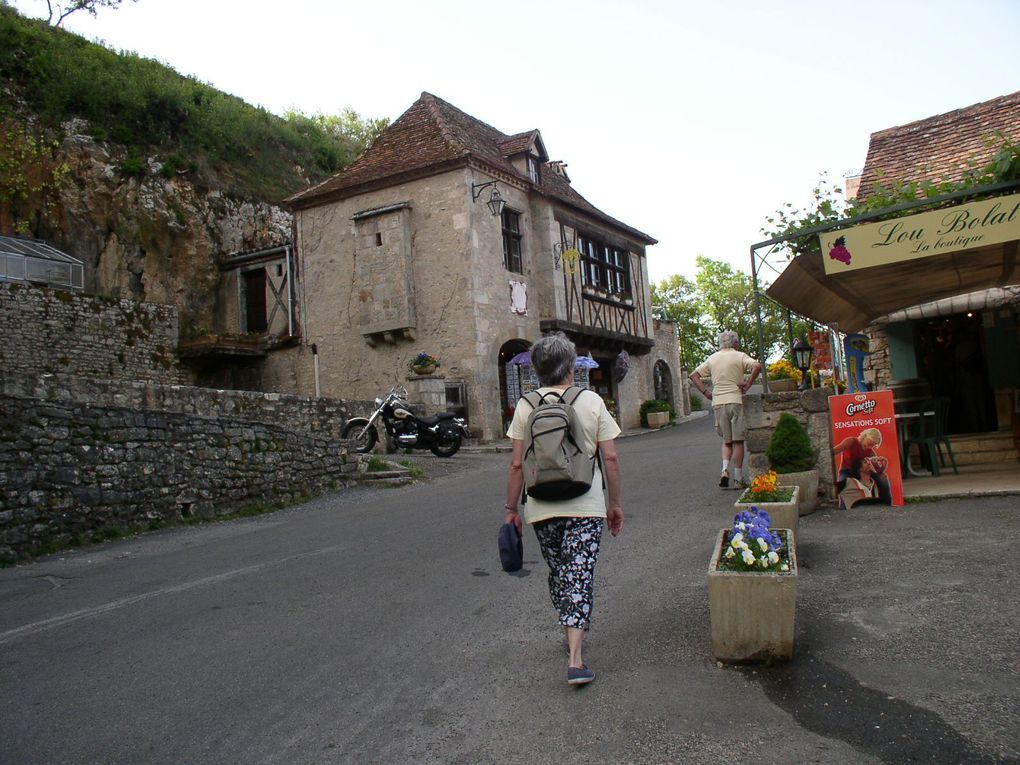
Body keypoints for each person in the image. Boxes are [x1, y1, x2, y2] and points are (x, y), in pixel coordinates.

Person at [504, 332, 624, 687]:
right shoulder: (591, 402)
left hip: (542, 505)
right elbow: (612, 458)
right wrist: (615, 504)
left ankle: (571, 634)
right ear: (571, 367)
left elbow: (515, 466)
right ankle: (576, 659)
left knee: (561, 572)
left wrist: (511, 509)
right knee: (578, 573)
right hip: (586, 502)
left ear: (538, 371)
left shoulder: (525, 406)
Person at [689, 330, 763, 490]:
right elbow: (757, 365)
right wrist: (748, 383)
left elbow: (694, 375)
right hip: (735, 400)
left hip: (718, 402)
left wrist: (706, 393)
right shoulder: (739, 355)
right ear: (735, 342)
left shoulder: (712, 358)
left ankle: (724, 470)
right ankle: (738, 478)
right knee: (738, 441)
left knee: (726, 441)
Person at [832, 427, 892, 505]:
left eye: (873, 445)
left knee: (883, 478)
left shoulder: (870, 452)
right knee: (842, 485)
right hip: (847, 469)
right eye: (870, 443)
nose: (870, 447)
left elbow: (877, 471)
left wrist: (883, 465)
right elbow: (834, 451)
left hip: (862, 471)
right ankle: (844, 508)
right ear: (865, 436)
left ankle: (886, 504)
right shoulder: (851, 441)